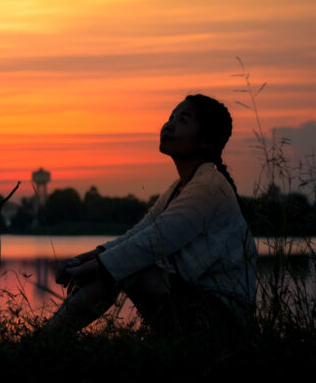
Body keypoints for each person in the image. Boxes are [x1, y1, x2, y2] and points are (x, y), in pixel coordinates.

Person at [44, 94, 257, 335]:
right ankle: (45, 340)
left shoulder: (209, 186)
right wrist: (82, 260)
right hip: (195, 305)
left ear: (206, 141)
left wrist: (87, 269)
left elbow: (151, 243)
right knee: (122, 263)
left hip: (225, 322)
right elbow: (136, 235)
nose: (170, 125)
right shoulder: (182, 187)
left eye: (183, 120)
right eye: (171, 118)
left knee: (131, 265)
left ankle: (44, 341)